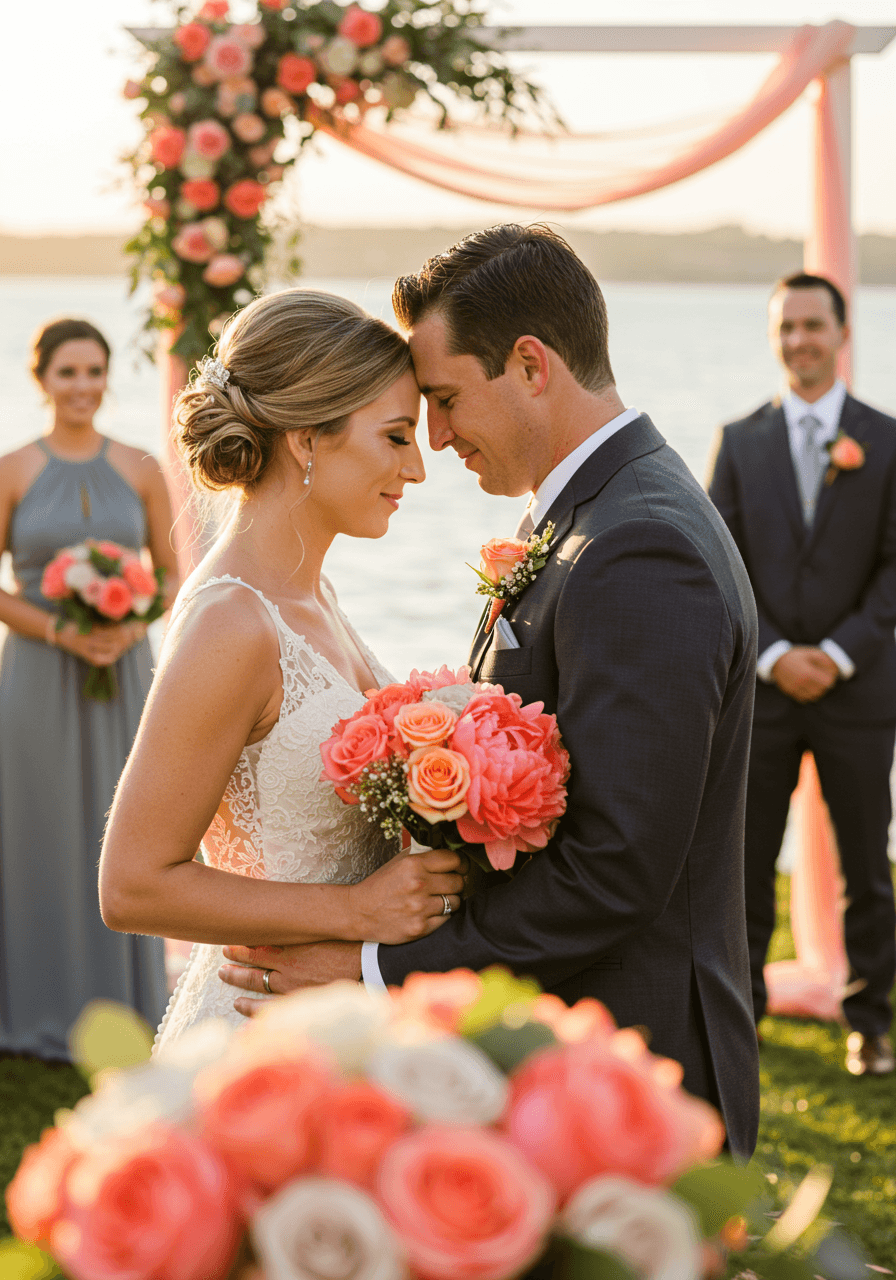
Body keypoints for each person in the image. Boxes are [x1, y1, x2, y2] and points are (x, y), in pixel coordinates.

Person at [219, 225, 761, 1161]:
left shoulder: (638, 548)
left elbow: (613, 869)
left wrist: (376, 970)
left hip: (628, 1066)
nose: (435, 436)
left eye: (444, 398)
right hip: (580, 1056)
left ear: (530, 364)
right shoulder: (609, 511)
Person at [98, 290, 466, 1052]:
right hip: (257, 1031)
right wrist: (358, 914)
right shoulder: (233, 622)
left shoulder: (312, 593)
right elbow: (132, 883)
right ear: (306, 439)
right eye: (397, 437)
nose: (418, 468)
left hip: (340, 1011)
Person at [707, 271, 896, 1077]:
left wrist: (842, 652)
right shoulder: (740, 440)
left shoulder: (886, 440)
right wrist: (779, 654)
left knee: (867, 864)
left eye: (812, 326)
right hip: (769, 693)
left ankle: (871, 1023)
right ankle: (741, 1011)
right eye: (786, 328)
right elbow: (720, 564)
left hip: (860, 692)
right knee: (748, 862)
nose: (799, 341)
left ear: (841, 333)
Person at [0, 317, 180, 1059]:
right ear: (40, 378)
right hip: (37, 674)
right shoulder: (11, 469)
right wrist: (62, 632)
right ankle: (32, 1009)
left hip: (122, 667)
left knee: (120, 831)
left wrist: (133, 622)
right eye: (68, 372)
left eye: (95, 371)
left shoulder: (141, 468)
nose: (83, 386)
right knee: (33, 832)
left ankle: (122, 1003)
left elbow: (172, 574)